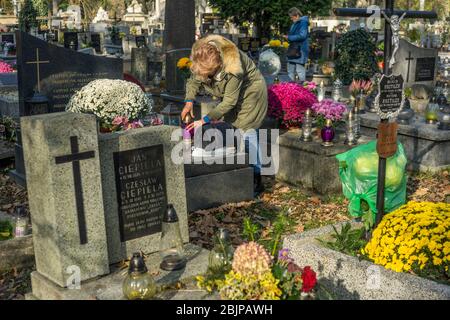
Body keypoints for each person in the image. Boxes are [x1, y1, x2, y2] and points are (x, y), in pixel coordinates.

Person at [181, 34, 268, 194]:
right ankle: (239, 170)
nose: (205, 78)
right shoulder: (202, 54)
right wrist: (189, 101)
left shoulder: (233, 67)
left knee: (246, 131)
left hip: (251, 93)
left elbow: (229, 102)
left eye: (208, 74)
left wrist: (206, 119)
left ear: (218, 65)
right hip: (233, 94)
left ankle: (256, 177)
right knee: (233, 129)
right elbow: (194, 79)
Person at [284, 7, 309, 81]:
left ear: (297, 15)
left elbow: (302, 35)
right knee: (290, 71)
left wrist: (289, 37)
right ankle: (290, 90)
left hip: (300, 50)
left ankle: (302, 90)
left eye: (292, 17)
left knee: (300, 71)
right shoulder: (295, 23)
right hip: (293, 50)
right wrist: (287, 38)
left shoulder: (303, 22)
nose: (291, 19)